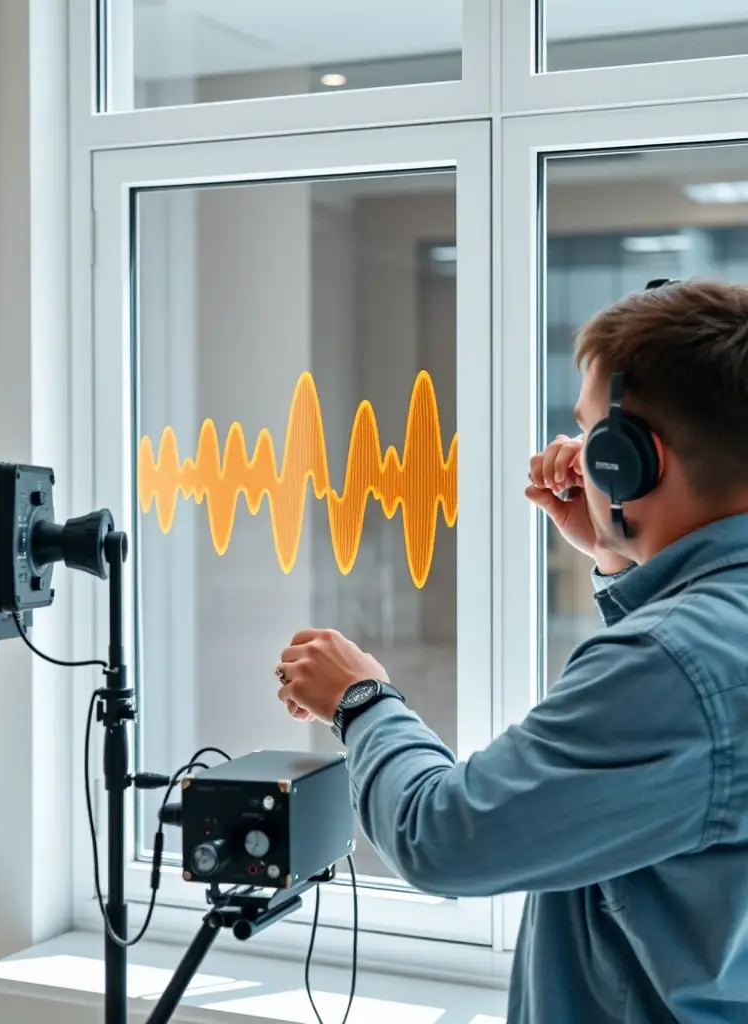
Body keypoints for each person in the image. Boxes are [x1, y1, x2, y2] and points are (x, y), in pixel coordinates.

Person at [274, 278, 748, 1024]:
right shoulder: (709, 636)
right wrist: (620, 554)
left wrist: (362, 701)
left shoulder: (670, 666)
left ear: (634, 462)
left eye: (592, 433)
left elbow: (444, 836)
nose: (577, 455)